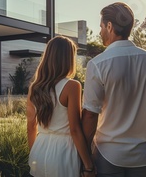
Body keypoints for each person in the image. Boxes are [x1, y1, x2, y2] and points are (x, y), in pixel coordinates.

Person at [81, 2, 146, 177]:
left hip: (107, 155)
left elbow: (89, 114)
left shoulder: (98, 64)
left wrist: (85, 158)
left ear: (109, 26)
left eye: (101, 26)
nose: (100, 31)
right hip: (143, 157)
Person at [27, 36, 95, 177]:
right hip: (63, 153)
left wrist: (34, 152)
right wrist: (88, 165)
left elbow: (30, 126)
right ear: (68, 59)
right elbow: (75, 129)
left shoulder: (34, 87)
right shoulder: (72, 86)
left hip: (39, 149)